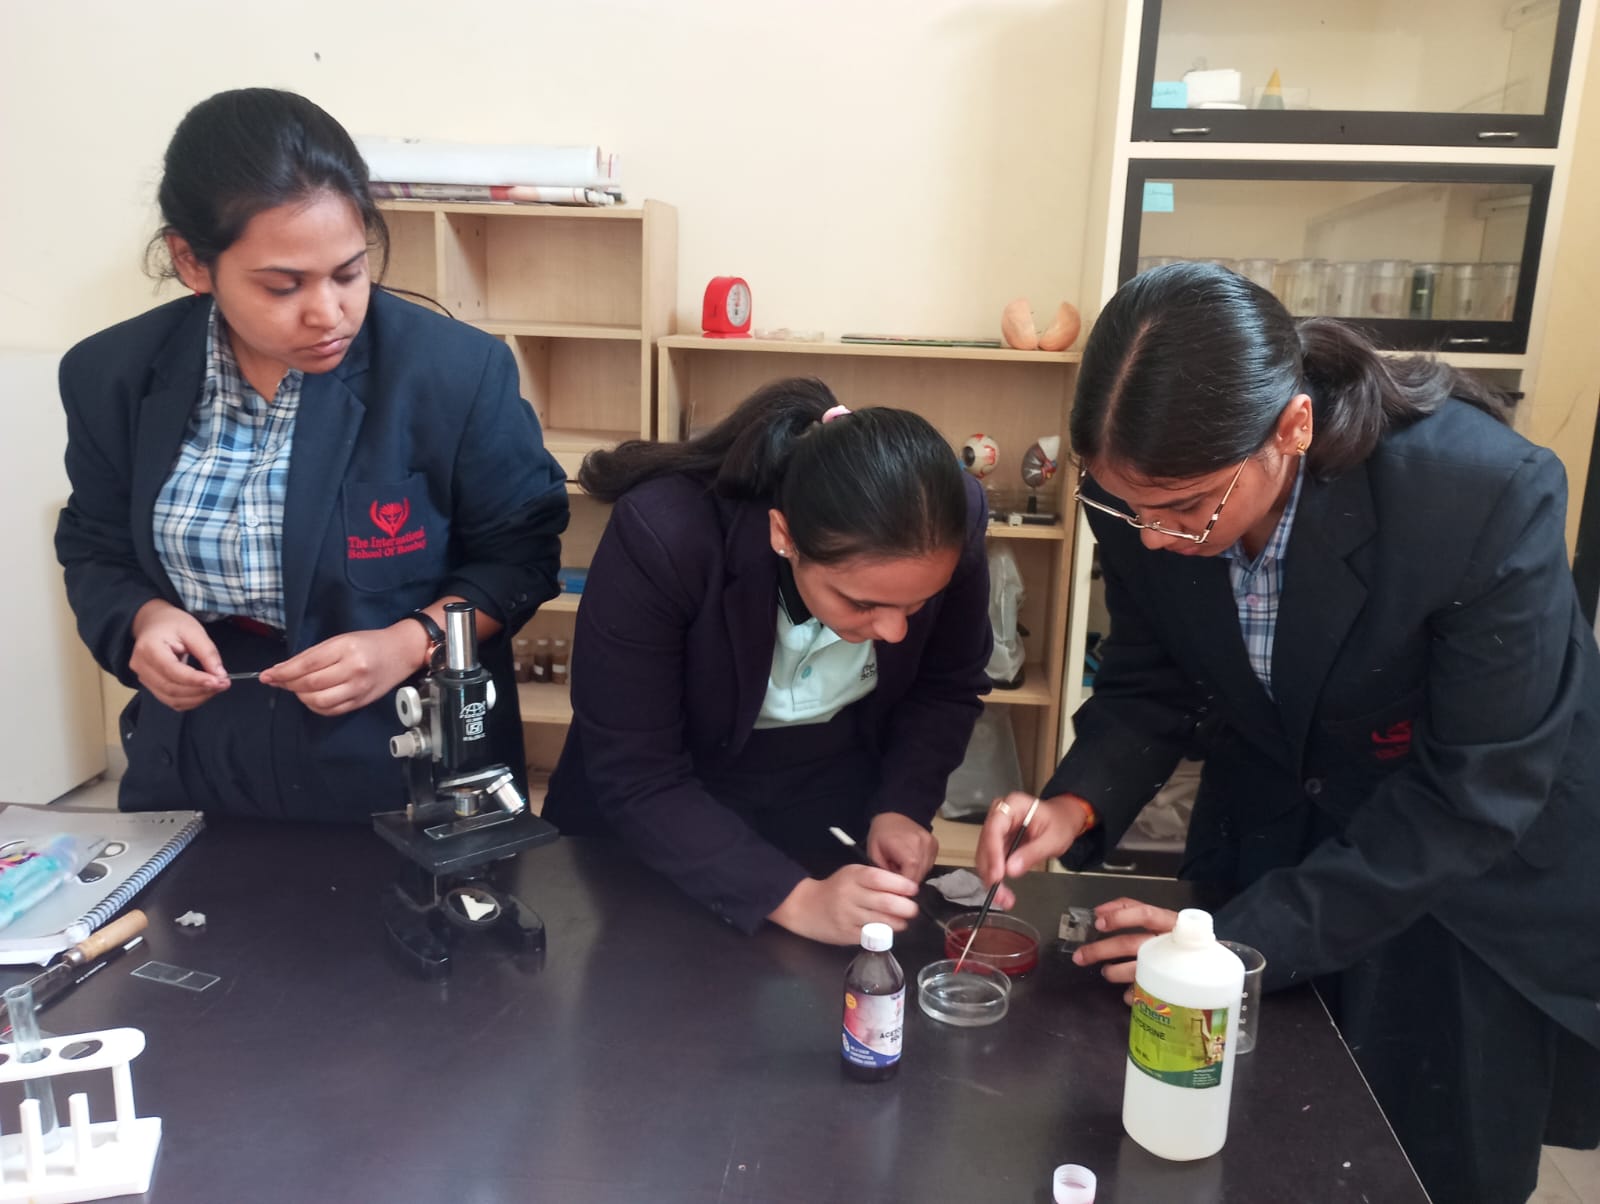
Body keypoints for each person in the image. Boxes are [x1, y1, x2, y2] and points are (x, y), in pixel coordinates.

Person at [976, 262, 1600, 1203]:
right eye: (1130, 509)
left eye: (1186, 510)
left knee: (1424, 1163)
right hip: (1270, 827)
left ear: (1293, 427)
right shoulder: (1142, 493)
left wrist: (1240, 938)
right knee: (1235, 1139)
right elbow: (1152, 680)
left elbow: (1472, 793)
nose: (1154, 538)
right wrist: (1073, 803)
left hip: (1461, 887)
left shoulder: (1480, 494)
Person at [55, 89, 568, 822]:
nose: (329, 314)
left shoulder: (451, 374)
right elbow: (94, 545)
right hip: (197, 757)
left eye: (349, 273)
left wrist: (409, 643)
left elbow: (521, 557)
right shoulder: (113, 376)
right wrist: (142, 619)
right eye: (282, 286)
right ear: (192, 262)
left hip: (399, 759)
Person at [543, 378, 991, 944]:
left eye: (916, 604)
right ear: (784, 535)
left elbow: (946, 686)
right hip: (654, 820)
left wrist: (902, 806)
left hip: (828, 794)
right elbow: (638, 772)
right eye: (861, 604)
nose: (894, 631)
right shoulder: (666, 536)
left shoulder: (948, 520)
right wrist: (794, 899)